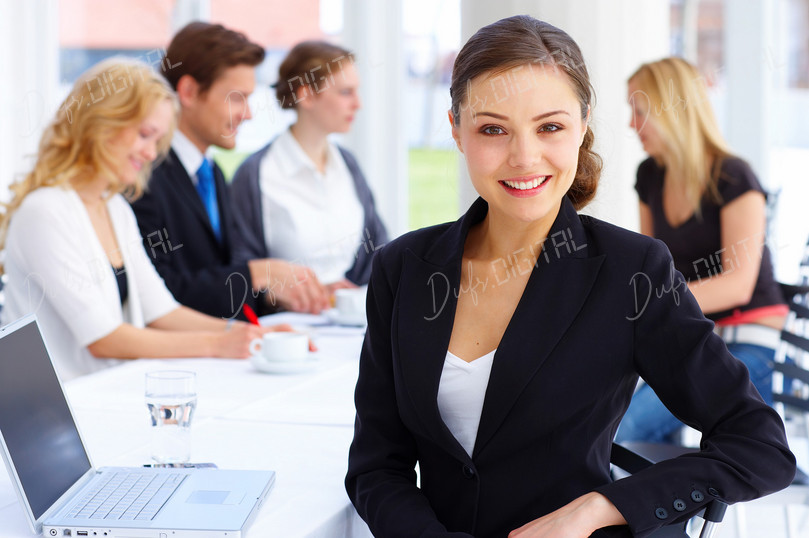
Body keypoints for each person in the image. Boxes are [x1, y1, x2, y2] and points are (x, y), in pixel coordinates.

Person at [345, 15, 794, 537]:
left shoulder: (633, 271)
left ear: (582, 127)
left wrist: (599, 508)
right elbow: (377, 466)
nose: (524, 157)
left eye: (550, 127)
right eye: (493, 129)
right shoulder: (401, 268)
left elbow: (759, 445)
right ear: (456, 131)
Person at [0, 58, 288, 382]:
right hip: (63, 411)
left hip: (107, 394)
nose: (152, 153)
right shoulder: (45, 211)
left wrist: (249, 332)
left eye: (157, 140)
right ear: (100, 125)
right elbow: (103, 339)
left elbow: (161, 309)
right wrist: (217, 343)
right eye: (145, 135)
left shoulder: (114, 208)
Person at [614, 57, 788, 445]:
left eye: (639, 110)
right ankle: (664, 500)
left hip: (747, 338)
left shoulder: (734, 177)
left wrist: (648, 302)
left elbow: (737, 285)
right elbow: (655, 266)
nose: (631, 123)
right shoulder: (650, 176)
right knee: (604, 422)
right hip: (693, 335)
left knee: (624, 431)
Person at [130, 22, 330, 319]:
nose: (248, 114)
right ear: (189, 91)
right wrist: (256, 273)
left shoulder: (213, 174)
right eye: (237, 98)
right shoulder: (143, 175)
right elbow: (158, 294)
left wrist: (279, 296)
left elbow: (215, 282)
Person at [230, 40, 387, 291]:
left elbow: (378, 249)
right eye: (346, 92)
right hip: (284, 326)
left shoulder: (348, 165)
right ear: (307, 96)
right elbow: (241, 269)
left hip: (351, 321)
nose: (358, 104)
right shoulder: (254, 175)